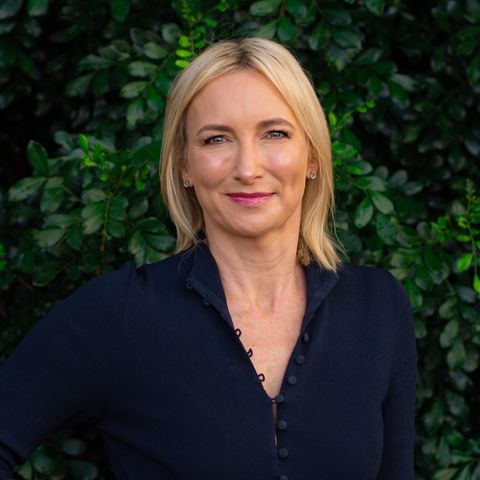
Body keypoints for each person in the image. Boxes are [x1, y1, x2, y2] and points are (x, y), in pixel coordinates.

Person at [0, 37, 417, 480]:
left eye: (274, 133)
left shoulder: (378, 306)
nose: (248, 168)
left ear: (312, 155)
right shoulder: (121, 314)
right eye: (216, 139)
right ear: (184, 165)